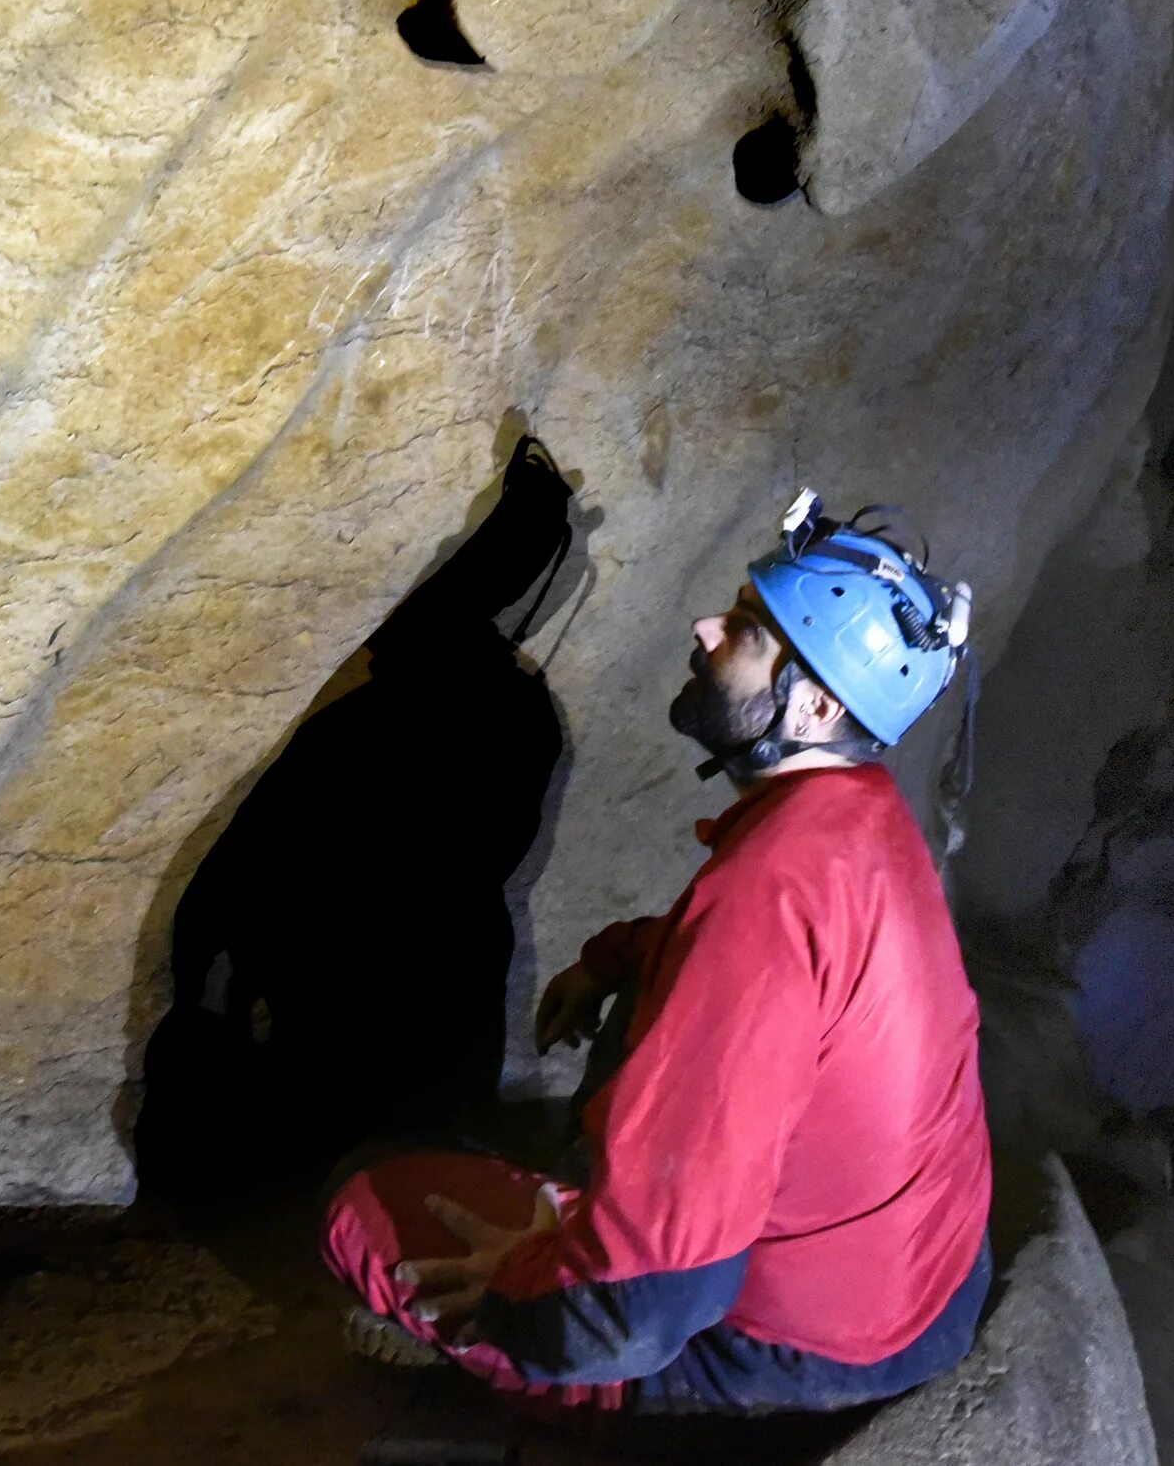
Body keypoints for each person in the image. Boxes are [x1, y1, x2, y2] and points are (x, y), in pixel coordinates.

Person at [320, 489, 991, 1419]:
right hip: (929, 1287)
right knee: (642, 1013)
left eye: (748, 633)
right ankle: (591, 1211)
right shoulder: (861, 820)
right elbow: (771, 977)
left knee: (366, 1195)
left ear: (816, 704)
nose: (707, 628)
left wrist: (519, 1292)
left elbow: (644, 1308)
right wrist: (611, 957)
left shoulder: (767, 893)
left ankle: (562, 1374)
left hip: (801, 1348)